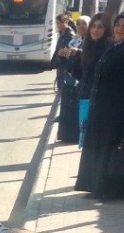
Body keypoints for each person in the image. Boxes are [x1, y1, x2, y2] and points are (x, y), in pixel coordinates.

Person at [74, 11, 124, 200]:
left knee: (114, 150)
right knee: (98, 148)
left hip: (119, 112)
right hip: (101, 109)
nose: (120, 29)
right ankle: (97, 187)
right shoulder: (115, 46)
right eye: (118, 25)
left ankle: (115, 190)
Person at [69, 12, 111, 148]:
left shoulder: (109, 49)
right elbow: (82, 74)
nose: (95, 30)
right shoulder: (88, 45)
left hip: (99, 102)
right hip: (85, 98)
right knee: (86, 140)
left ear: (106, 30)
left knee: (95, 141)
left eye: (100, 27)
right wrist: (73, 60)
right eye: (93, 26)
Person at [52, 13, 78, 143]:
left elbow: (71, 53)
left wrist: (64, 54)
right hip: (62, 68)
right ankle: (62, 115)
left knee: (67, 94)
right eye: (57, 23)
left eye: (59, 23)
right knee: (62, 91)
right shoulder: (63, 34)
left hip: (67, 69)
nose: (57, 25)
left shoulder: (70, 35)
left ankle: (64, 117)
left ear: (65, 22)